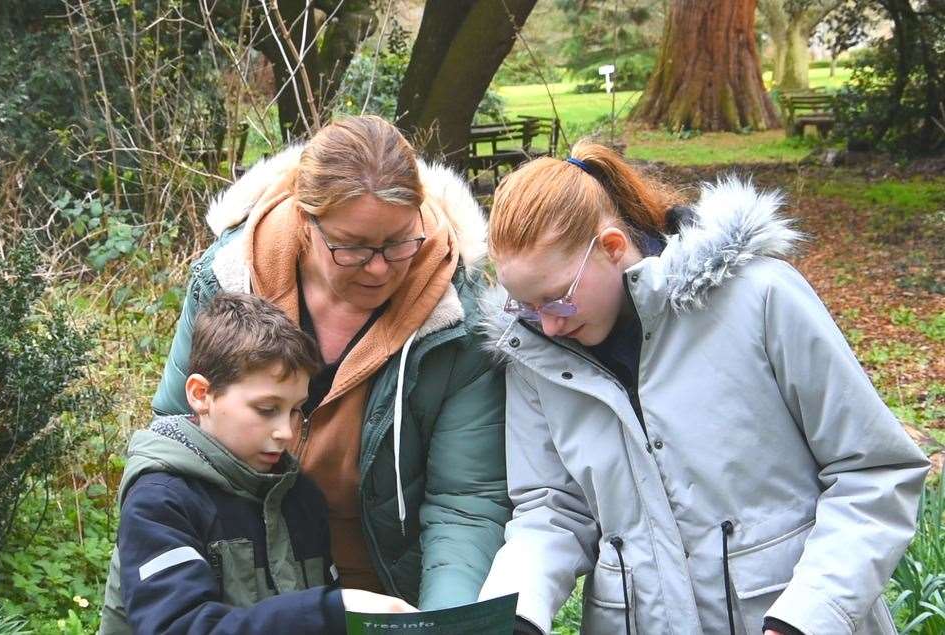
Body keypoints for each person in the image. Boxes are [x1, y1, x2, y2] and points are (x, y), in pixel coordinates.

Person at [477, 144, 930, 635]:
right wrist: (513, 614)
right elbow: (552, 509)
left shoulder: (759, 297)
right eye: (525, 307)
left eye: (557, 301)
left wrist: (807, 618)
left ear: (611, 247)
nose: (547, 325)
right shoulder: (533, 353)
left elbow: (873, 472)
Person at [148, 115, 510, 609]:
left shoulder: (457, 320)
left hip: (388, 588)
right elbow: (177, 435)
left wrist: (442, 620)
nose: (380, 266)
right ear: (305, 220)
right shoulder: (227, 279)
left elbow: (464, 502)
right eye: (354, 247)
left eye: (400, 241)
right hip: (241, 579)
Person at [100, 292, 415, 634]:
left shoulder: (301, 497)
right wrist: (330, 611)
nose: (285, 432)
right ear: (200, 394)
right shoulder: (160, 502)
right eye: (266, 409)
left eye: (297, 410)